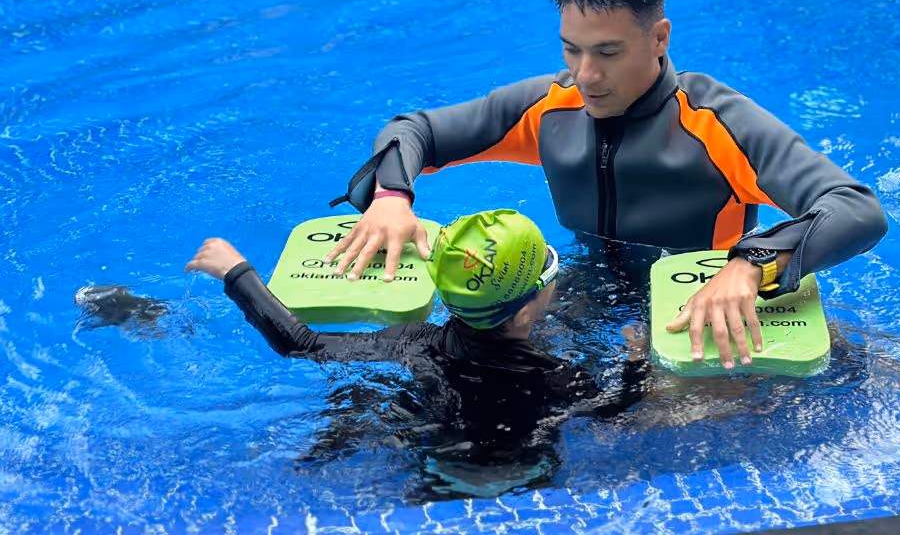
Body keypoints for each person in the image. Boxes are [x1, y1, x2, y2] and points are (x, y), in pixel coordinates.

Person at [327, 0, 889, 371]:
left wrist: (750, 265)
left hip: (697, 309)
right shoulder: (551, 108)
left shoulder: (715, 122)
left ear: (659, 38)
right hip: (585, 300)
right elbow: (414, 130)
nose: (587, 75)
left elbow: (857, 209)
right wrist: (391, 197)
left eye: (608, 52)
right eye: (572, 49)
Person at [182, 209, 648, 494]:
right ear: (525, 314)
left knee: (364, 403)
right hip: (530, 477)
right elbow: (615, 410)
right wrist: (635, 363)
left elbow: (300, 344)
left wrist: (236, 271)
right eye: (547, 274)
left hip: (433, 470)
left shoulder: (411, 340)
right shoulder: (560, 376)